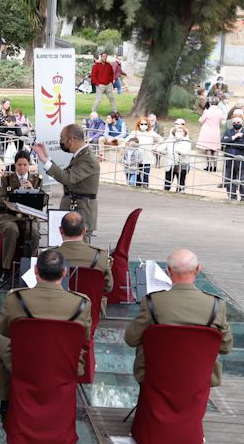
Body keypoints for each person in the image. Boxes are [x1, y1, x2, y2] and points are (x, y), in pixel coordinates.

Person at [0, 248, 92, 418]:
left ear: (36, 270)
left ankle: (6, 403)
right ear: (65, 272)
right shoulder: (82, 303)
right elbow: (85, 337)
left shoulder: (15, 298)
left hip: (26, 364)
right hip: (64, 365)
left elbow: (4, 330)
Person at [124, 249, 232, 386]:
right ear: (198, 269)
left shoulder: (152, 302)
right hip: (198, 381)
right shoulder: (216, 306)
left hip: (156, 378)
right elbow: (225, 347)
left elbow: (131, 339)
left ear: (168, 270)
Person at [33, 123, 100, 236]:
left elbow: (68, 178)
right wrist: (47, 157)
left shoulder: (88, 159)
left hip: (81, 213)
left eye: (62, 139)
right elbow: (67, 174)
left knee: (77, 250)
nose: (61, 142)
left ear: (72, 140)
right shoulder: (81, 155)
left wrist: (45, 161)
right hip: (74, 210)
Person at [0, 151, 42, 286]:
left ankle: (30, 268)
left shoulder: (37, 180)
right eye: (19, 164)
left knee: (34, 232)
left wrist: (32, 191)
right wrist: (15, 194)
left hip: (28, 217)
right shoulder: (7, 179)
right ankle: (6, 269)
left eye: (25, 165)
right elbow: (1, 200)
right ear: (15, 164)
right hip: (9, 216)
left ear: (29, 165)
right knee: (11, 230)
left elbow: (41, 203)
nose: (22, 168)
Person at [49, 211, 113, 297]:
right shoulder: (101, 255)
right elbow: (108, 287)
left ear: (61, 230)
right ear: (84, 231)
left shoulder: (48, 256)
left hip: (57, 308)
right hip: (91, 308)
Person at [221, 113, 244, 201]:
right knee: (229, 179)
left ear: (242, 123)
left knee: (243, 180)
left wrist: (231, 142)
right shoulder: (229, 132)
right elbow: (223, 142)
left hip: (242, 160)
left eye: (238, 122)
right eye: (234, 122)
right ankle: (232, 197)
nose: (236, 124)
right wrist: (235, 137)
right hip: (229, 159)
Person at [158, 121, 193, 192]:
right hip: (170, 163)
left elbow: (186, 151)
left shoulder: (187, 141)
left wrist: (181, 152)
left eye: (181, 131)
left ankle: (180, 192)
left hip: (181, 164)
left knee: (181, 181)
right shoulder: (170, 140)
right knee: (167, 182)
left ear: (184, 133)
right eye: (177, 131)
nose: (179, 132)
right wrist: (160, 150)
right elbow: (161, 147)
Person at [126, 118, 160, 188]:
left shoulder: (151, 133)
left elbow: (161, 139)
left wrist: (155, 146)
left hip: (147, 157)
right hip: (137, 157)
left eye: (145, 124)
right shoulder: (135, 132)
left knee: (145, 174)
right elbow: (127, 140)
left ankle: (145, 187)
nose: (143, 125)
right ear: (139, 124)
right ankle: (138, 187)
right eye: (142, 124)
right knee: (137, 173)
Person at [197, 100, 224, 173]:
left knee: (208, 148)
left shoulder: (207, 111)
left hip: (207, 131)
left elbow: (201, 121)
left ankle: (209, 166)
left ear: (211, 103)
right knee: (215, 149)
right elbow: (220, 123)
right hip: (216, 131)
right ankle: (215, 166)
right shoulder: (220, 112)